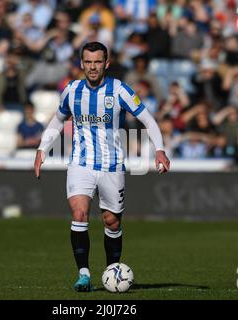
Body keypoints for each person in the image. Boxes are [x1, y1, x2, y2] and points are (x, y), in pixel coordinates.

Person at [33, 42, 170, 292]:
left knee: (112, 222)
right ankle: (83, 274)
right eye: (88, 62)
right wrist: (42, 148)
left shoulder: (120, 91)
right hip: (80, 163)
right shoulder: (72, 91)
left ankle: (112, 271)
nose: (92, 67)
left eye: (97, 62)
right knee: (79, 214)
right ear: (81, 63)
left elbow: (148, 120)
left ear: (106, 63)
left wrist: (159, 150)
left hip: (112, 165)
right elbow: (57, 120)